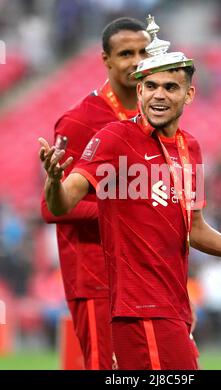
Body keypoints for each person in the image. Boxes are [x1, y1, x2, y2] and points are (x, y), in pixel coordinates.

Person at [39, 15, 221, 370]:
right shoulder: (105, 132)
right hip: (107, 286)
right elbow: (55, 206)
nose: (158, 92)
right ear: (137, 86)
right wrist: (68, 186)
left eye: (170, 86)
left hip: (170, 298)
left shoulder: (190, 149)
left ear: (189, 93)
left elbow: (192, 227)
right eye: (150, 85)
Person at [40, 17, 150, 370]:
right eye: (125, 53)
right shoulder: (78, 120)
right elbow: (50, 208)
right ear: (106, 59)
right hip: (96, 277)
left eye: (143, 52)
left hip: (144, 277)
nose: (136, 61)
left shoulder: (153, 115)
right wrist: (122, 213)